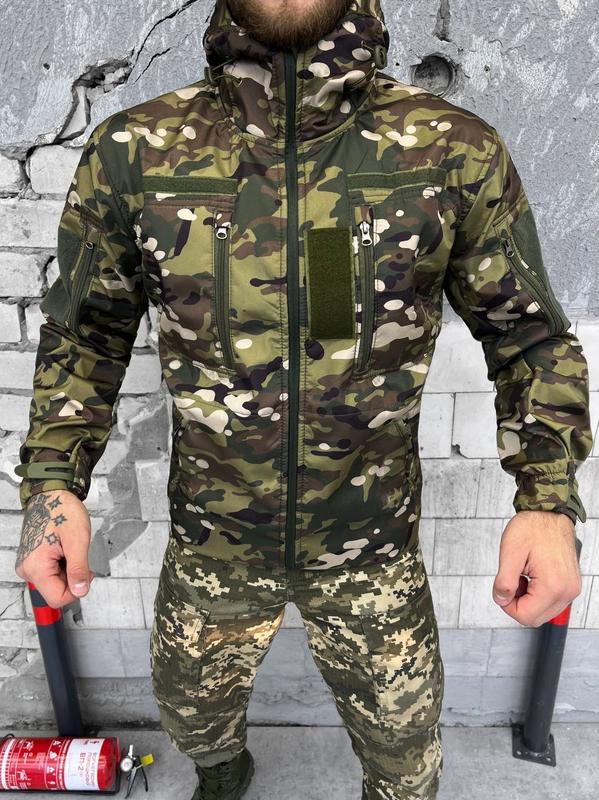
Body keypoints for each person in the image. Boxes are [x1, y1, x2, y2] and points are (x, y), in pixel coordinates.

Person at [14, 0, 593, 797]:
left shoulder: (450, 149)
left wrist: (548, 500)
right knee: (193, 720)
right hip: (212, 540)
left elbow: (528, 338)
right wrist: (52, 483)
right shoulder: (133, 150)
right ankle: (224, 776)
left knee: (404, 754)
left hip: (372, 545)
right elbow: (85, 336)